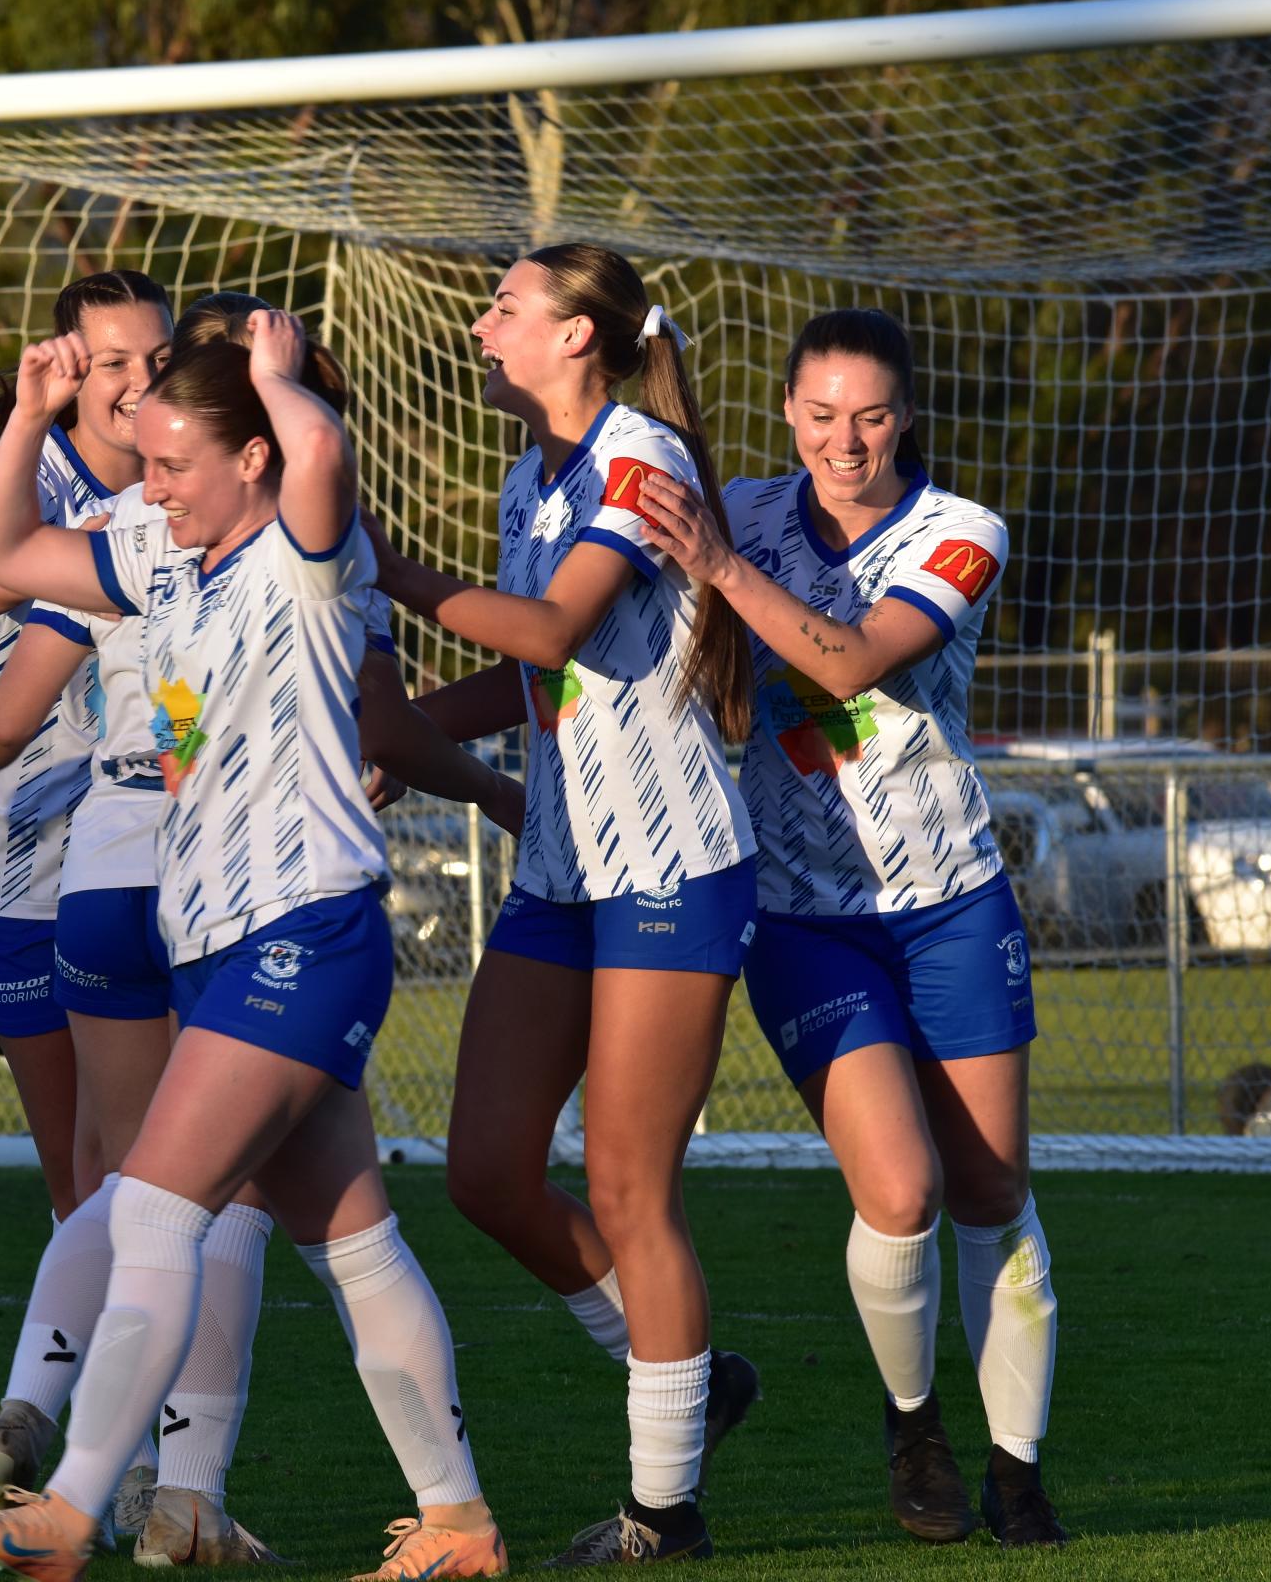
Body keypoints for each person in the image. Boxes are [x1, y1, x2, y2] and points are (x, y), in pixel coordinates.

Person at [0, 291, 520, 1566]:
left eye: (176, 465)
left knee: (150, 1208)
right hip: (222, 945)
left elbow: (316, 457)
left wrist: (281, 376)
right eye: (143, 463)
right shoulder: (159, 554)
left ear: (251, 455)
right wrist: (34, 418)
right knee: (356, 1244)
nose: (152, 487)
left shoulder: (308, 553)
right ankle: (460, 1521)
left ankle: (74, 1510)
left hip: (300, 930)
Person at [632, 308, 1064, 1548]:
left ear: (907, 415)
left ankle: (1019, 1474)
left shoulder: (961, 533)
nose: (846, 440)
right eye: (821, 415)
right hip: (803, 919)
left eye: (871, 414)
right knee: (904, 1185)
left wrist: (721, 565)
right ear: (786, 413)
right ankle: (915, 1423)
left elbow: (851, 662)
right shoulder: (748, 509)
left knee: (990, 1189)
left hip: (953, 904)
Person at [369, 242, 760, 1563]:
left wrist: (385, 569)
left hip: (668, 869)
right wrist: (393, 731)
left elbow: (547, 633)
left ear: (579, 338)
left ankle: (665, 1508)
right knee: (483, 1171)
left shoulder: (643, 459)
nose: (482, 326)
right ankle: (696, 1383)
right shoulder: (527, 476)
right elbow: (544, 687)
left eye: (506, 307)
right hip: (560, 872)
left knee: (629, 1184)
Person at [0, 270, 177, 1226]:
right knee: (84, 1182)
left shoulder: (188, 478)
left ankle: (170, 1370)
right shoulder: (16, 474)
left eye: (159, 359)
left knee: (171, 1164)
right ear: (70, 369)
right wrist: (77, 554)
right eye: (114, 362)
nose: (140, 383)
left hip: (147, 845)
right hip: (24, 861)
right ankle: (96, 1370)